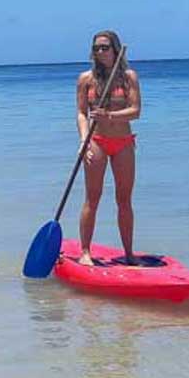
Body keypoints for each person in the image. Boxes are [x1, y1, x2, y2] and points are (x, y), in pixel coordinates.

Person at [76, 31, 141, 266]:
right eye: (96, 48)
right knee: (92, 198)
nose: (100, 52)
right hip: (97, 141)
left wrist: (110, 115)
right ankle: (85, 252)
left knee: (124, 199)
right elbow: (82, 113)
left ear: (115, 49)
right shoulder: (86, 79)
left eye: (105, 47)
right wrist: (84, 141)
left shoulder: (128, 77)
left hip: (123, 142)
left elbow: (135, 111)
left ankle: (129, 253)